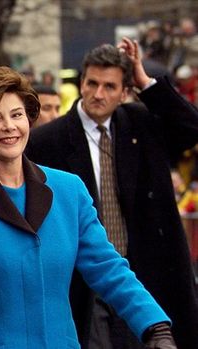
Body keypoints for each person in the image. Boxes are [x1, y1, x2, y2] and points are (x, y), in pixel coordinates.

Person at [0, 66, 177, 349]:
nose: (9, 126)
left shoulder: (69, 190)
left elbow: (108, 268)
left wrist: (154, 326)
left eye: (17, 115)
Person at [27, 38, 198, 348]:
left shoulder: (142, 125)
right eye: (91, 83)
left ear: (124, 92)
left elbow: (189, 128)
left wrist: (145, 80)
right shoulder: (46, 142)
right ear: (81, 83)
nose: (98, 94)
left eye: (109, 86)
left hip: (144, 275)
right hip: (83, 281)